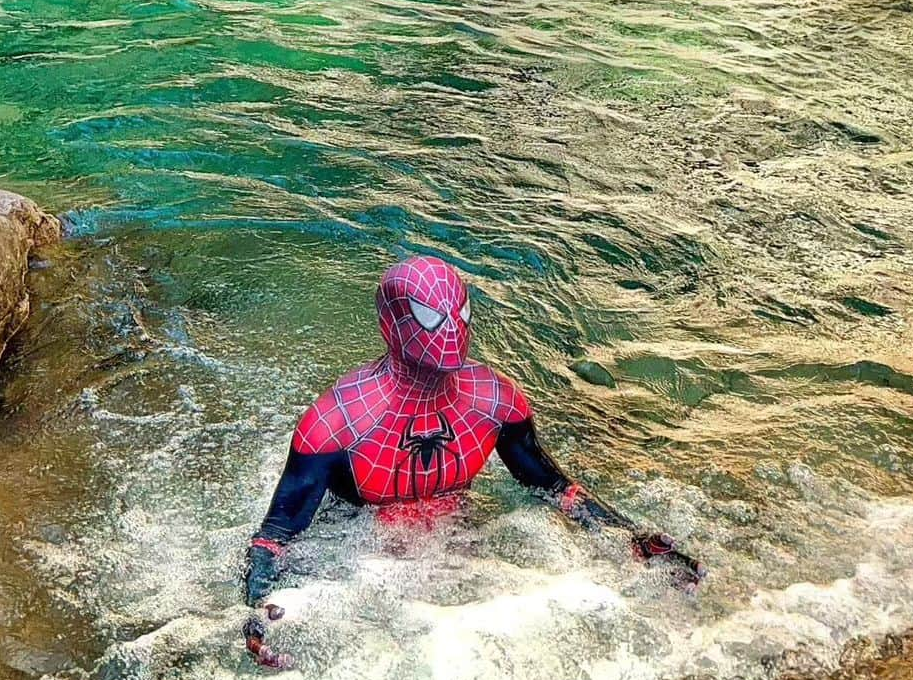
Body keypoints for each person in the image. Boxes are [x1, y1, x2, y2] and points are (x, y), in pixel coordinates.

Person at [243, 255, 701, 622]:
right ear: (393, 325)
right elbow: (275, 539)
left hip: (462, 551)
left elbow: (553, 488)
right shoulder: (334, 425)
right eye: (429, 317)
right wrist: (258, 617)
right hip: (358, 561)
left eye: (459, 313)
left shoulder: (495, 401)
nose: (451, 329)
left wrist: (630, 537)